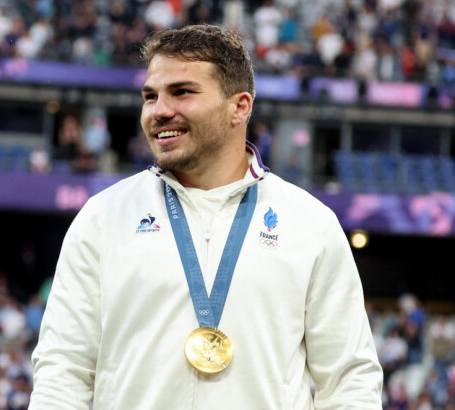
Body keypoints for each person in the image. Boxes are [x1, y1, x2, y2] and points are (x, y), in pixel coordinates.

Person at [29, 24, 383, 409]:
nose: (159, 111)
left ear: (239, 107)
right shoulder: (103, 217)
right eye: (151, 96)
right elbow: (63, 370)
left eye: (182, 92)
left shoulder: (310, 224)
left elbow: (350, 378)